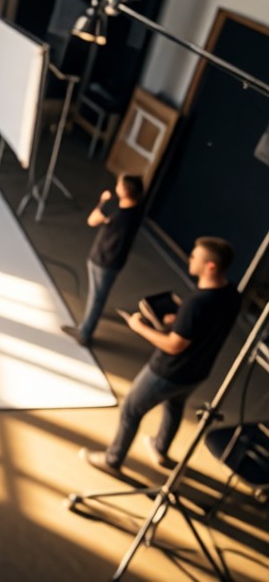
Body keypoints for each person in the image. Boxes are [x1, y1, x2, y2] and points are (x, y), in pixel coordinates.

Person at [81, 236, 241, 475]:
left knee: (131, 410)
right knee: (174, 407)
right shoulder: (232, 295)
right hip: (197, 372)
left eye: (195, 256)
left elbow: (174, 346)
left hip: (168, 371)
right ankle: (160, 448)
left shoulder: (197, 302)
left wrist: (139, 327)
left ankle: (112, 460)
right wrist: (180, 320)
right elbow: (205, 326)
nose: (190, 258)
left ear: (210, 266)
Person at [62, 173, 145, 346]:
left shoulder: (113, 207)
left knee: (96, 297)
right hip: (117, 259)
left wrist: (102, 202)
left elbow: (92, 221)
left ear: (125, 190)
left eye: (119, 185)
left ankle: (85, 333)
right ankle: (93, 316)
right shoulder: (138, 209)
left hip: (102, 258)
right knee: (100, 293)